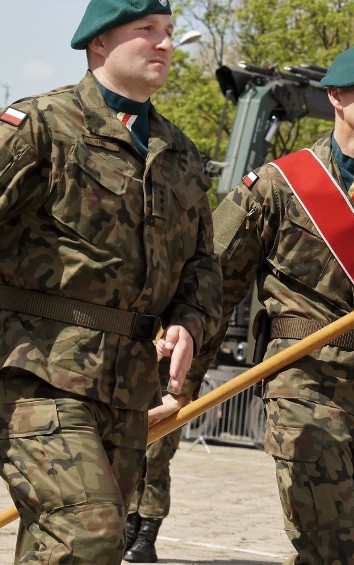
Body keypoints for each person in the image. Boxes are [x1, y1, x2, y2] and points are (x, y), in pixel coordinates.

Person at [187, 42, 354, 565]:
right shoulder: (279, 185)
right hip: (301, 387)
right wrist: (179, 383)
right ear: (335, 96)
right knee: (336, 546)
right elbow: (212, 285)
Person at [0, 0, 223, 561]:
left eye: (169, 32)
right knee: (88, 530)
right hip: (37, 373)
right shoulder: (41, 125)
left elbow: (202, 264)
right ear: (99, 43)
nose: (165, 44)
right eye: (146, 31)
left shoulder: (180, 154)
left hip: (127, 388)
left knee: (69, 545)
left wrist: (189, 323)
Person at [123, 360, 206, 563]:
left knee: (154, 463)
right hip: (136, 384)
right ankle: (130, 529)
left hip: (170, 388)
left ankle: (146, 536)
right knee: (130, 461)